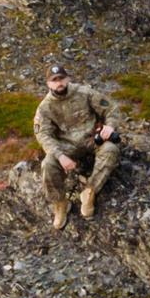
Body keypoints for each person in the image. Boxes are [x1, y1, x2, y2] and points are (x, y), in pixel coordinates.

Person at [34, 60, 120, 230]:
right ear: (48, 84)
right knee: (48, 164)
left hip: (92, 138)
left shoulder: (84, 93)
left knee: (111, 149)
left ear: (67, 78)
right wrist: (60, 156)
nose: (59, 83)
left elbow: (111, 108)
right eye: (54, 80)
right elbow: (42, 134)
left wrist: (110, 126)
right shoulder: (45, 108)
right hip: (68, 146)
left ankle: (90, 191)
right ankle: (60, 203)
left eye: (61, 78)